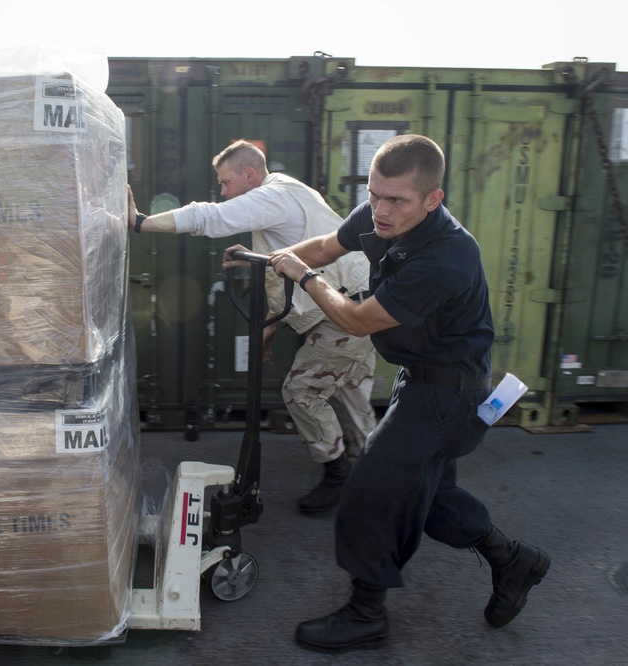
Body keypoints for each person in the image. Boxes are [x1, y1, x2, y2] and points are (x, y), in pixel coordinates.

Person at [234, 134, 549, 652]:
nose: (380, 209)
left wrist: (305, 276)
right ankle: (512, 559)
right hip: (420, 380)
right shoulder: (378, 215)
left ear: (432, 199)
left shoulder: (447, 257)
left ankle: (366, 613)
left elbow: (357, 320)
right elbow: (326, 245)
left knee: (371, 492)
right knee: (426, 496)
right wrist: (271, 258)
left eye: (396, 200)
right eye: (374, 194)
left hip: (450, 396)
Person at [128, 140, 377, 513]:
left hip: (345, 312)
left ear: (250, 174)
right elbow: (293, 253)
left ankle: (339, 475)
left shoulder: (273, 196)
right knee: (353, 399)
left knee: (302, 390)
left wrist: (141, 223)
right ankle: (379, 475)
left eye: (227, 182)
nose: (223, 191)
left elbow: (209, 217)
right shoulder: (289, 195)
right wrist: (252, 261)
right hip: (356, 301)